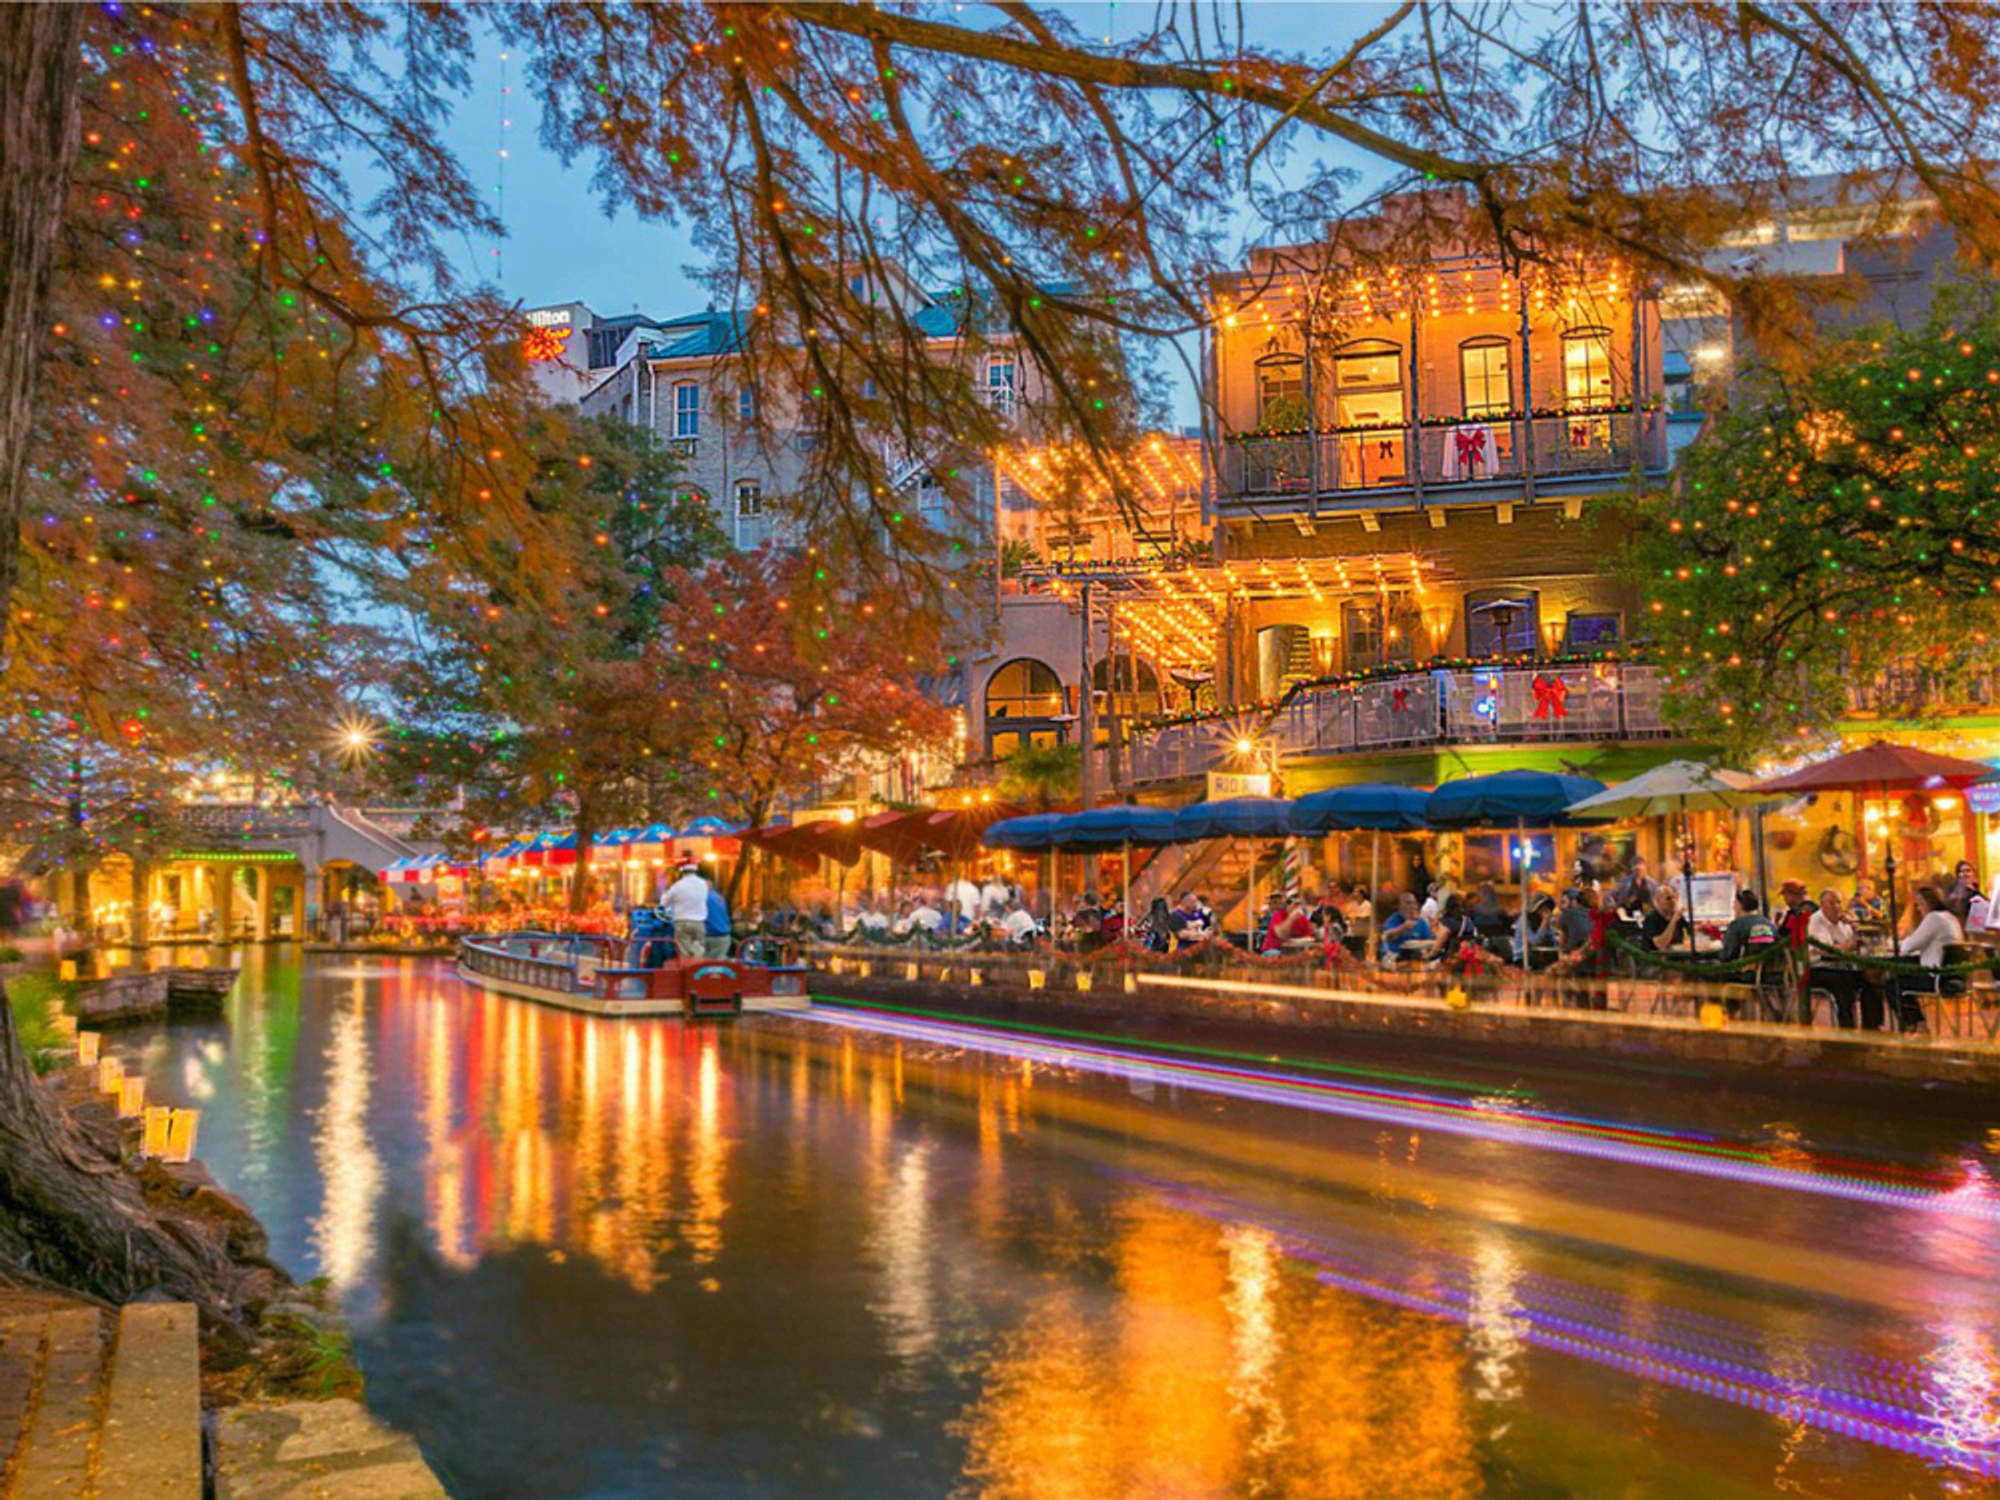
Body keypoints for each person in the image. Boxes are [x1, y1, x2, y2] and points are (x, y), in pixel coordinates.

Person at [1893, 885, 1963, 1037]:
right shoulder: (1950, 917)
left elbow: (1909, 945)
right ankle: (1915, 1024)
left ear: (1928, 903)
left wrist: (1897, 943)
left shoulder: (1934, 918)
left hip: (1936, 977)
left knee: (1893, 981)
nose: (1918, 909)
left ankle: (1917, 1024)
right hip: (1955, 976)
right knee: (1903, 971)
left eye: (1919, 904)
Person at [1806, 888, 1879, 1030]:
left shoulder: (1843, 922)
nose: (1837, 907)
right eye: (1832, 903)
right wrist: (1847, 946)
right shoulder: (1815, 922)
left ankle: (1871, 1027)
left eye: (1839, 902)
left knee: (1871, 980)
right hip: (1820, 968)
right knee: (1844, 985)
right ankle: (1847, 1029)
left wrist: (1854, 927)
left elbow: (1855, 945)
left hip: (1842, 967)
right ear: (1822, 905)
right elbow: (1823, 950)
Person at [1716, 888, 1780, 965]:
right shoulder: (1769, 924)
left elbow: (1727, 955)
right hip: (1769, 971)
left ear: (1740, 905)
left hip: (1744, 971)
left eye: (1735, 904)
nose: (1733, 908)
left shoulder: (1737, 925)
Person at [664, 860, 711, 960]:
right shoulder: (703, 884)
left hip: (682, 921)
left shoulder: (678, 886)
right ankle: (697, 970)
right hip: (699, 922)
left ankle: (686, 970)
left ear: (682, 872)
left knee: (683, 950)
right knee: (699, 950)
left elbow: (664, 902)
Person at [1379, 893, 1432, 961]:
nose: (1412, 906)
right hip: (1394, 957)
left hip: (1414, 959)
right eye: (1408, 903)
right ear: (1400, 906)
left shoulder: (1421, 922)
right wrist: (1404, 927)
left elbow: (1428, 941)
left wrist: (1424, 952)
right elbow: (1386, 936)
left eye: (1414, 903)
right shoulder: (1394, 919)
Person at [1641, 884, 1687, 952]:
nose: (1673, 901)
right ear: (1658, 901)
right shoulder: (1651, 919)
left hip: (1678, 954)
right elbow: (1660, 944)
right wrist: (1673, 921)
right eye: (1668, 898)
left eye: (1674, 897)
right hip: (1657, 958)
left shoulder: (1678, 915)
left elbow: (1692, 930)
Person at [704, 882, 733, 958]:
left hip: (708, 935)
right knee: (718, 965)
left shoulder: (702, 897)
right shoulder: (719, 897)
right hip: (723, 936)